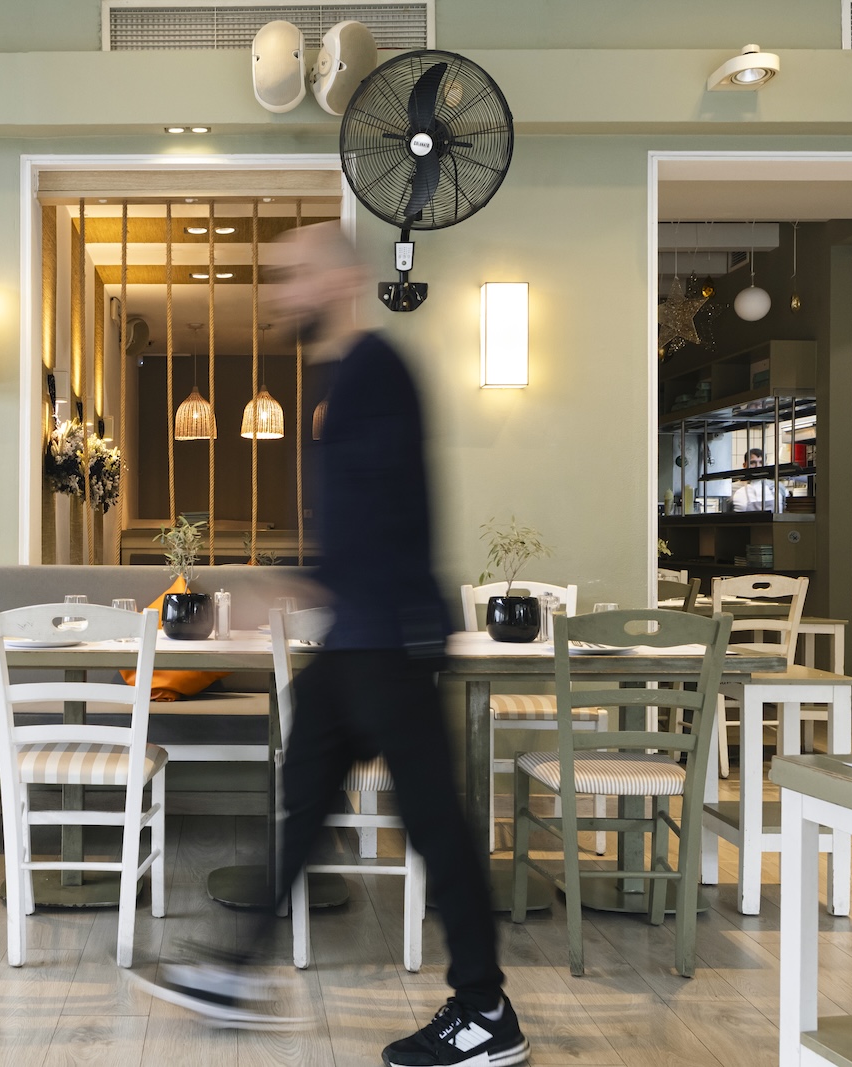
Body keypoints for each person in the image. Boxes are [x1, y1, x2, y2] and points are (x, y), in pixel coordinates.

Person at [133, 224, 529, 1067]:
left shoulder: (376, 370)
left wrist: (304, 579)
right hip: (357, 638)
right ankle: (234, 971)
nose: (282, 293)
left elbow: (385, 515)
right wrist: (307, 580)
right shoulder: (342, 377)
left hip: (389, 637)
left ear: (340, 280)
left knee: (433, 822)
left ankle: (485, 1008)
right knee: (304, 802)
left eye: (295, 276)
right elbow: (362, 513)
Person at [731, 446, 782, 512]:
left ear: (766, 465)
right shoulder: (732, 489)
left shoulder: (778, 487)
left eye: (761, 462)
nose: (757, 466)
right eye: (752, 463)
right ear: (744, 465)